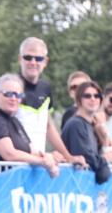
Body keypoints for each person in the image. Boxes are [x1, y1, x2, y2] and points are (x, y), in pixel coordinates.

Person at [14, 37, 85, 166]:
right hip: (15, 164)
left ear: (45, 62)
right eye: (28, 57)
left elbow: (48, 126)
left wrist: (68, 157)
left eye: (39, 58)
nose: (33, 62)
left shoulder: (45, 88)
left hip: (39, 163)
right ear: (20, 59)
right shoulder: (11, 87)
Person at [0, 73, 60, 177]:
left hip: (12, 186)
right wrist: (42, 162)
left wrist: (49, 157)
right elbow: (9, 154)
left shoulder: (15, 121)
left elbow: (33, 151)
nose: (14, 98)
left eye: (18, 95)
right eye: (8, 94)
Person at [60, 81, 112, 184]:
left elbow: (105, 169)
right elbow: (91, 161)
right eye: (87, 96)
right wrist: (104, 160)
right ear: (79, 100)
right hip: (74, 186)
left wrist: (105, 139)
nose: (93, 99)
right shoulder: (76, 124)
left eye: (96, 96)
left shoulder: (93, 126)